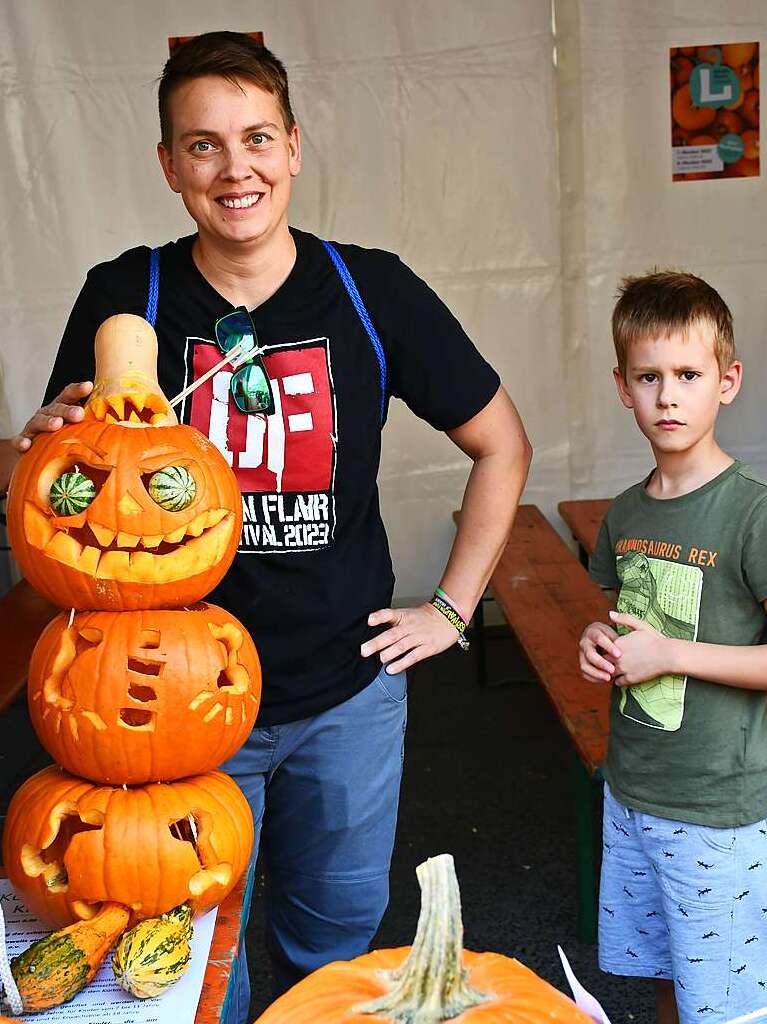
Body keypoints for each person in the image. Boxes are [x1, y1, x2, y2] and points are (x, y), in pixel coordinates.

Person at [0, 32, 531, 1020]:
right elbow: (60, 490)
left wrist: (454, 612)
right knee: (200, 952)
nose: (232, 166)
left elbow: (502, 444)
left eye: (254, 138)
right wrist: (35, 453)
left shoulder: (370, 292)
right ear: (169, 167)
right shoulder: (130, 299)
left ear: (292, 147)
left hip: (345, 698)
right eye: (202, 145)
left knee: (334, 936)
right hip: (172, 719)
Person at [579, 271, 767, 1024]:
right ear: (622, 387)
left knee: (722, 1003)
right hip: (633, 793)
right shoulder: (624, 513)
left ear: (726, 382)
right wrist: (599, 639)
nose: (667, 397)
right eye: (648, 377)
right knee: (668, 976)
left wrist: (671, 657)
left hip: (717, 808)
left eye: (687, 376)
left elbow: (669, 651)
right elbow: (621, 622)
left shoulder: (749, 514)